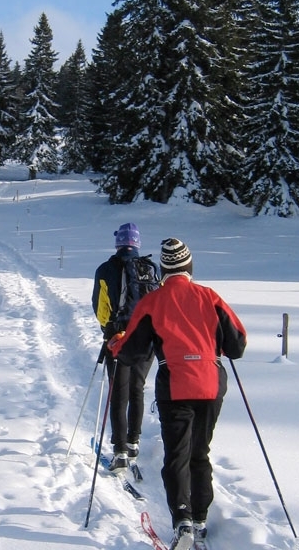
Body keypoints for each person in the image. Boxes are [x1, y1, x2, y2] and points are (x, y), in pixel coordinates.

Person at [108, 238, 246, 550]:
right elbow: (237, 345)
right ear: (189, 266)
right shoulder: (210, 296)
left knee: (177, 454)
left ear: (164, 269)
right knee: (200, 451)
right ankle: (200, 519)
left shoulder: (153, 302)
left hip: (175, 385)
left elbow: (131, 353)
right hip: (211, 383)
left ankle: (182, 519)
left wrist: (115, 344)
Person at [91, 222, 158, 472]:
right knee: (137, 388)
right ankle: (133, 442)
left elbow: (100, 306)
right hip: (147, 338)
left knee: (119, 392)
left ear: (118, 243)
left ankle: (119, 451)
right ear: (137, 243)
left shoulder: (106, 269)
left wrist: (107, 329)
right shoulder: (151, 268)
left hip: (118, 337)